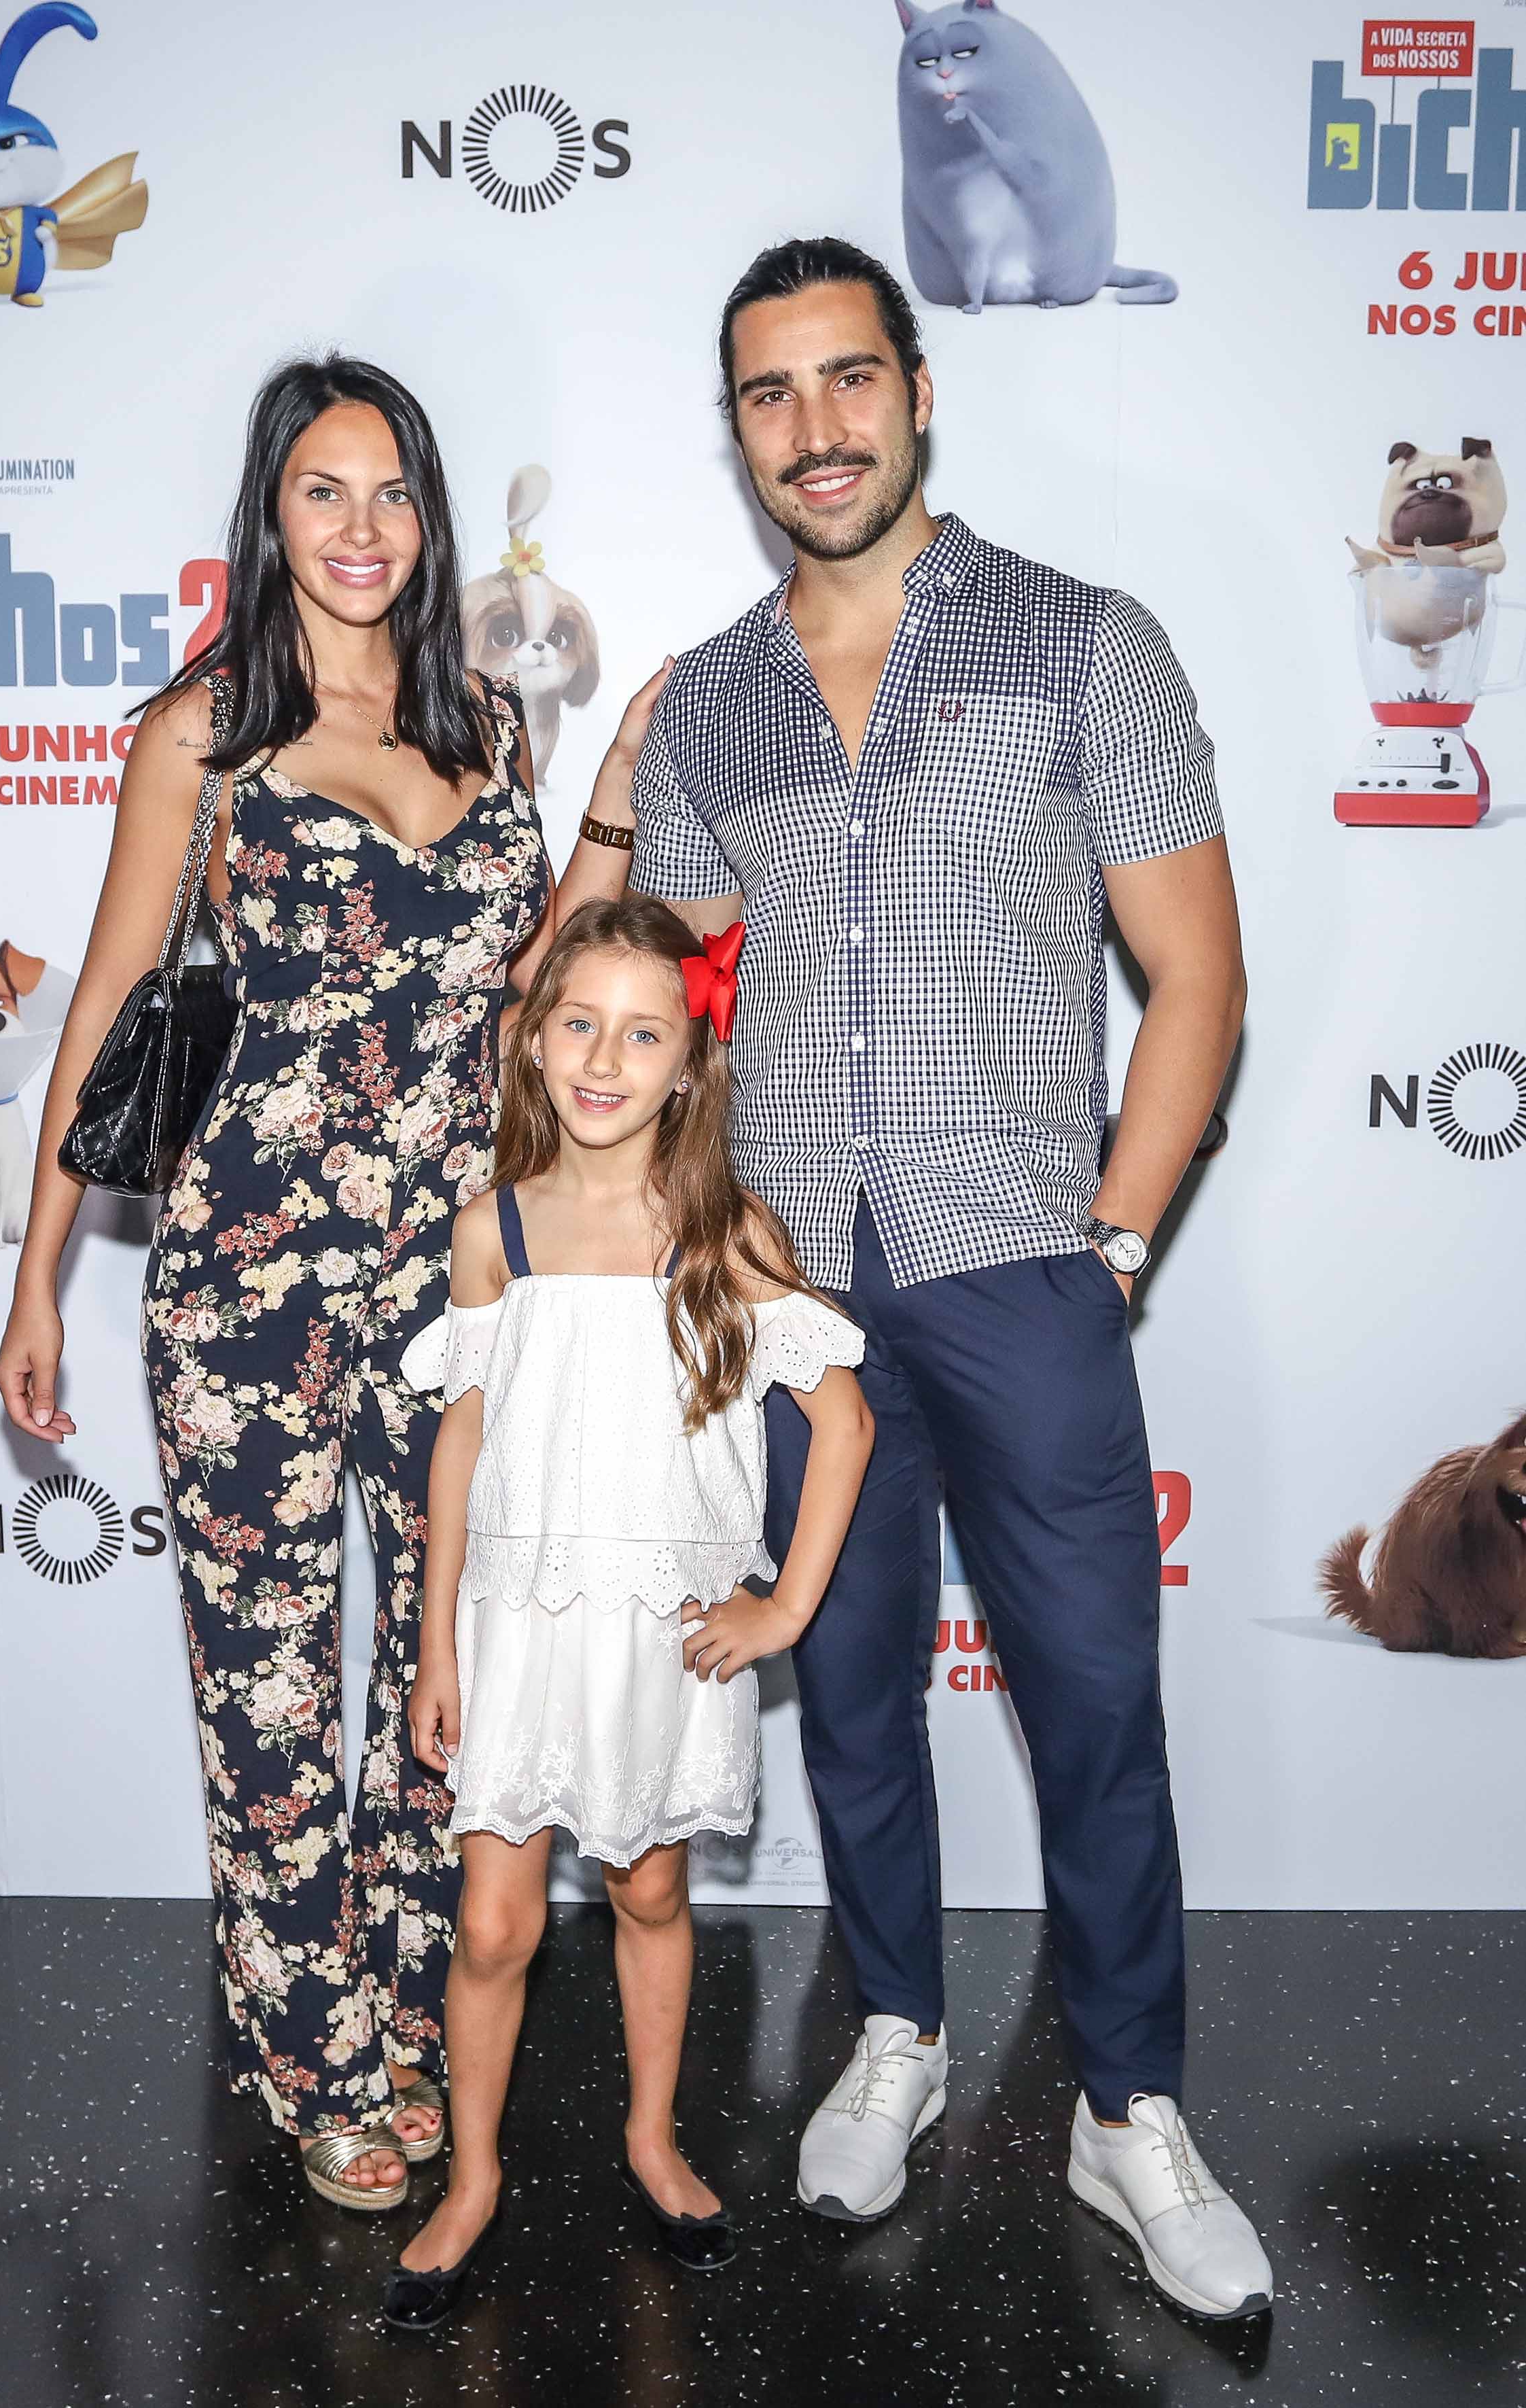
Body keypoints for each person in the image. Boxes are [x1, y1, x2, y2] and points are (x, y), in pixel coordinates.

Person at [628, 238, 1273, 2321]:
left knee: (1094, 1709)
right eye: (768, 393)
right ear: (736, 429)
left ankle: (1129, 2109)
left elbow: (1195, 979)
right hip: (797, 1297)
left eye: (846, 379)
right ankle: (894, 2030)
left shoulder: (1083, 641)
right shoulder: (709, 695)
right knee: (849, 1693)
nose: (812, 428)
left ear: (917, 391)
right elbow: (666, 1005)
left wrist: (1114, 1243)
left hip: (1024, 1273)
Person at [0, 355, 668, 2211]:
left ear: (428, 520)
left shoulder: (488, 724)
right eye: (323, 491)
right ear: (270, 513)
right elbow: (110, 1006)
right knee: (270, 1677)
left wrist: (610, 792)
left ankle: (404, 1998)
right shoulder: (201, 733)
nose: (360, 529)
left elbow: (525, 991)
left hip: (458, 1275)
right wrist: (37, 1280)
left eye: (391, 494)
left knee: (449, 1658)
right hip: (249, 1273)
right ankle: (315, 2054)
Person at [383, 895, 872, 2332]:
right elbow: (462, 1436)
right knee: (491, 1926)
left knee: (650, 1892)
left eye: (642, 1033)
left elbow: (840, 1424)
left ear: (688, 1062)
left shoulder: (723, 1230)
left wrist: (783, 1605)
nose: (605, 1058)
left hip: (665, 1630)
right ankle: (472, 2180)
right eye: (578, 1024)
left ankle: (651, 2139)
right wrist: (435, 1641)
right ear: (534, 1043)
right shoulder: (494, 1230)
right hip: (520, 1622)